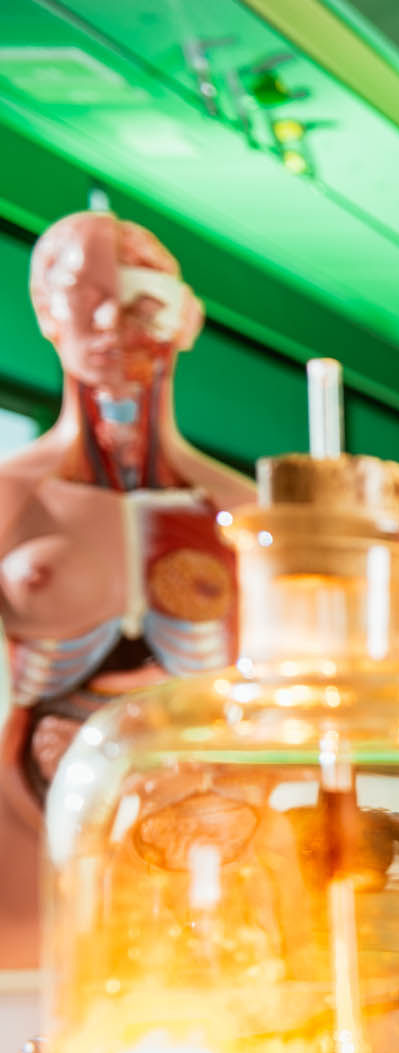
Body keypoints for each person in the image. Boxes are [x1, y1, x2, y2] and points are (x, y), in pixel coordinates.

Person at [0, 210, 252, 977]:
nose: (110, 317)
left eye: (136, 290)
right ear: (45, 310)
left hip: (205, 836)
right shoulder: (11, 498)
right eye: (81, 290)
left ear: (182, 317)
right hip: (21, 843)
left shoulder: (241, 513)